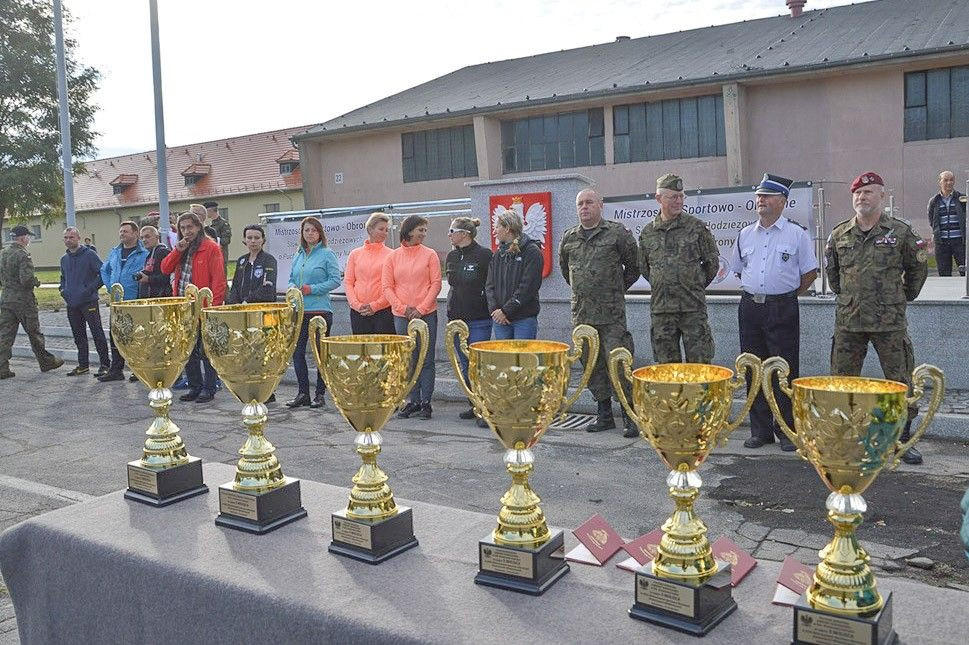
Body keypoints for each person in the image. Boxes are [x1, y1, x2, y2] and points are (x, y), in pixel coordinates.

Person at [825, 171, 929, 465]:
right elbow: (834, 277)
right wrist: (849, 297)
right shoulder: (839, 234)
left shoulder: (901, 232)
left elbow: (917, 270)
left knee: (899, 381)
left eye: (868, 192)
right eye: (857, 193)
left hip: (889, 322)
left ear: (882, 196)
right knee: (843, 381)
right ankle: (844, 438)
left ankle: (902, 440)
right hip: (849, 322)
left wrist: (900, 298)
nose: (862, 197)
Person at [729, 174, 818, 451]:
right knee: (753, 369)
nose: (761, 201)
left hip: (782, 307)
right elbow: (740, 268)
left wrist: (787, 295)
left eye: (767, 196)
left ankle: (787, 430)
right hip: (751, 307)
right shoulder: (745, 234)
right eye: (758, 196)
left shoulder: (797, 234)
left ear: (782, 201)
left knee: (784, 370)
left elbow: (810, 273)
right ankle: (761, 431)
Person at [559, 188, 639, 437]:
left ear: (600, 205)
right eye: (580, 203)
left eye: (589, 202)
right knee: (592, 368)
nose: (585, 207)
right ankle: (604, 415)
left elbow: (634, 267)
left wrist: (614, 290)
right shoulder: (569, 238)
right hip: (583, 316)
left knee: (618, 364)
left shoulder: (617, 233)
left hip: (611, 316)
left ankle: (630, 415)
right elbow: (566, 271)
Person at [639, 173, 720, 365]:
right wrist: (665, 284)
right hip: (662, 311)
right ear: (659, 198)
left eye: (681, 196)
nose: (679, 201)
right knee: (667, 370)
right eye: (673, 197)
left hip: (692, 309)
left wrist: (692, 285)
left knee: (699, 368)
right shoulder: (648, 232)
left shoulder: (697, 228)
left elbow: (712, 264)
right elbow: (644, 268)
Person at [161, 211, 227, 403]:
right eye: (182, 228)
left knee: (205, 350)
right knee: (187, 350)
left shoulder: (211, 247)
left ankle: (209, 387)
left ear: (199, 227)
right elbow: (165, 268)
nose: (186, 231)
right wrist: (177, 250)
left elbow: (219, 280)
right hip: (183, 307)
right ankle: (194, 386)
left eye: (190, 227)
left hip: (203, 307)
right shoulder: (181, 247)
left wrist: (213, 307)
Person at [383, 215, 442, 420]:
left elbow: (436, 284)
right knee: (408, 359)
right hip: (402, 315)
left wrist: (422, 308)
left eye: (425, 231)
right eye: (420, 230)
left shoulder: (430, 255)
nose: (423, 234)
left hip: (426, 314)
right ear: (409, 231)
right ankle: (412, 401)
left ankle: (426, 402)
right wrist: (403, 308)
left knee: (426, 359)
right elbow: (387, 287)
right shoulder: (392, 257)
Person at [287, 217, 341, 409]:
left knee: (320, 354)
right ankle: (303, 393)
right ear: (302, 233)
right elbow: (291, 279)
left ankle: (320, 393)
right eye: (307, 230)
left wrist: (313, 289)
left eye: (314, 230)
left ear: (320, 234)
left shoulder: (327, 254)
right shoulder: (298, 255)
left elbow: (335, 280)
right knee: (298, 352)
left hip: (320, 311)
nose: (310, 233)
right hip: (300, 311)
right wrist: (293, 289)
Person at [0, 225, 64, 379]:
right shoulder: (23, 255)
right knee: (34, 333)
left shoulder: (3, 253)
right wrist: (36, 282)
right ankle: (46, 361)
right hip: (24, 301)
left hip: (7, 299)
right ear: (23, 238)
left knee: (5, 334)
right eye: (28, 236)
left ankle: (2, 367)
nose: (28, 239)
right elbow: (26, 279)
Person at [445, 216, 492, 421]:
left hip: (479, 317)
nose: (449, 235)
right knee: (464, 364)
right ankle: (473, 404)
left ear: (464, 234)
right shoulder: (452, 256)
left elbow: (489, 284)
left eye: (452, 231)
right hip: (457, 319)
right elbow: (454, 283)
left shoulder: (484, 255)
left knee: (478, 363)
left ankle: (485, 407)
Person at [98, 221, 148, 382]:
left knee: (137, 336)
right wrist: (111, 287)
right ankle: (116, 369)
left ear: (135, 233)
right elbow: (104, 270)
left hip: (135, 300)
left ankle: (139, 369)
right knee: (116, 335)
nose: (122, 234)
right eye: (120, 231)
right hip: (117, 301)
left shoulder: (144, 253)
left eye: (125, 231)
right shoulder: (115, 252)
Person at [59, 227, 110, 377]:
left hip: (88, 302)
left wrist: (89, 289)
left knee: (97, 333)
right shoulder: (64, 259)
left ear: (78, 238)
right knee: (78, 335)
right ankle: (83, 365)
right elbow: (63, 278)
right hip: (72, 303)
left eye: (71, 237)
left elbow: (102, 274)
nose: (68, 240)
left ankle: (105, 365)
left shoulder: (90, 255)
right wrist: (63, 290)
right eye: (66, 238)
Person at [486, 208, 543, 341]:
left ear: (507, 228)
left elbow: (528, 287)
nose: (494, 231)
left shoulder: (531, 252)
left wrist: (505, 311)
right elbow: (489, 285)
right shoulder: (498, 254)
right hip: (499, 320)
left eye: (497, 227)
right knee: (504, 361)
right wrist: (495, 311)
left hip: (524, 319)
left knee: (523, 361)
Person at [344, 212, 395, 334]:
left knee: (383, 351)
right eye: (381, 229)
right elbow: (348, 282)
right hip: (358, 312)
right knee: (362, 351)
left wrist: (376, 306)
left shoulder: (392, 255)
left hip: (383, 311)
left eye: (387, 230)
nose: (384, 233)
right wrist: (356, 305)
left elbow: (393, 285)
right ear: (370, 229)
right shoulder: (355, 254)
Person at [927, 170, 966, 277]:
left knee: (965, 271)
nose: (949, 183)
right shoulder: (934, 201)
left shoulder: (962, 199)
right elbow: (932, 219)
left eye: (951, 180)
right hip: (942, 243)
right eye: (946, 180)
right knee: (944, 273)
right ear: (940, 182)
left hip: (960, 242)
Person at [227, 224, 277, 305]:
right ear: (244, 239)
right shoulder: (241, 260)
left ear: (263, 240)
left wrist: (247, 301)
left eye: (257, 238)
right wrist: (234, 303)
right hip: (241, 308)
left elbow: (268, 287)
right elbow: (235, 286)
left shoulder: (269, 260)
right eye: (249, 238)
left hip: (261, 307)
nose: (253, 241)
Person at [205, 201, 232, 270]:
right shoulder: (212, 224)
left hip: (221, 255)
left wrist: (214, 241)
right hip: (212, 255)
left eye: (206, 211)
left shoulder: (223, 223)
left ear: (210, 210)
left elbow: (226, 240)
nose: (205, 213)